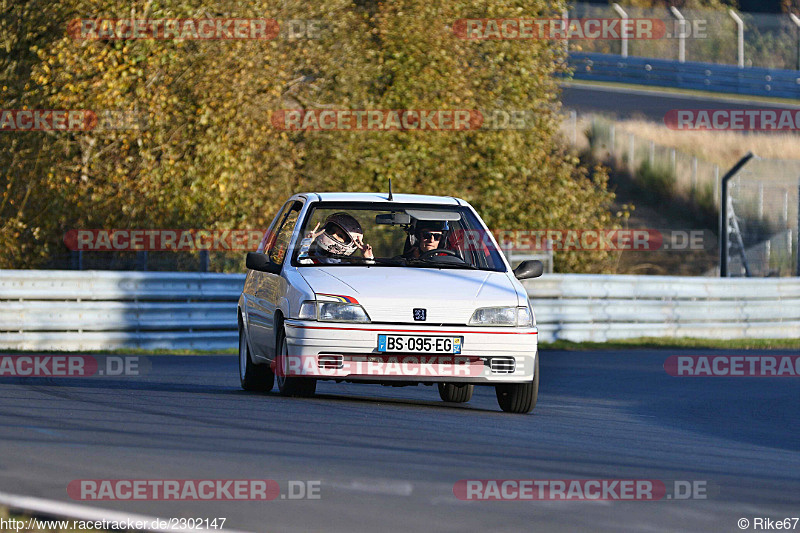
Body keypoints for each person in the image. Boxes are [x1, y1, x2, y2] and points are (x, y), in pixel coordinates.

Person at [300, 212, 373, 264]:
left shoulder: (347, 268)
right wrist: (306, 243)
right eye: (331, 230)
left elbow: (369, 278)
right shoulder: (308, 258)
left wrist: (368, 259)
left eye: (340, 236)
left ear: (350, 245)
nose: (333, 234)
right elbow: (300, 262)